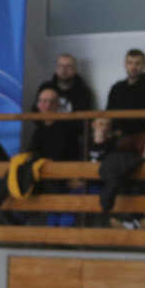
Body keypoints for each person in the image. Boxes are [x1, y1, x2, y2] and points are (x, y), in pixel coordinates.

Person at [30, 87, 81, 227]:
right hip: (46, 179)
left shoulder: (68, 129)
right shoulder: (37, 132)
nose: (47, 105)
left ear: (58, 104)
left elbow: (76, 156)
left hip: (65, 179)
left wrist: (76, 177)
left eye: (52, 101)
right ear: (38, 105)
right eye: (44, 101)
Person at [32, 53, 93, 139]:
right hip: (45, 134)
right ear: (56, 68)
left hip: (71, 138)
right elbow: (36, 111)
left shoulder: (83, 91)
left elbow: (83, 120)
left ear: (75, 70)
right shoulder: (46, 87)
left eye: (69, 67)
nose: (64, 70)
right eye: (61, 66)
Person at [106, 49, 145, 137]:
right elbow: (108, 112)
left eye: (137, 63)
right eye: (130, 63)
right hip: (112, 131)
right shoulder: (116, 88)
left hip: (136, 134)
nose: (133, 67)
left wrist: (122, 132)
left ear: (144, 65)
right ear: (125, 65)